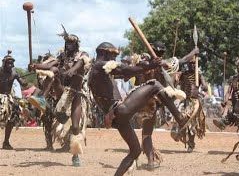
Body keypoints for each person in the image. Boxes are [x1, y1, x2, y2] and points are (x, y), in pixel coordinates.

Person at [88, 42, 188, 175]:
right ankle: (180, 118)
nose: (114, 59)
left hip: (116, 118)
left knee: (135, 151)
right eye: (113, 56)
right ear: (105, 53)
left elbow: (124, 72)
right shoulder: (100, 66)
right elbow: (124, 70)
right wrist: (151, 66)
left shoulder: (95, 71)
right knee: (155, 85)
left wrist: (142, 67)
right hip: (119, 110)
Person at [29, 26, 92, 166]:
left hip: (76, 94)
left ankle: (75, 155)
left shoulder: (83, 55)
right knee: (54, 70)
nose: (68, 45)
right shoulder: (62, 56)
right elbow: (50, 65)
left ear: (76, 44)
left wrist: (73, 70)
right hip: (63, 91)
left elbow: (81, 63)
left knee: (75, 127)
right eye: (67, 43)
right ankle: (42, 99)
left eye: (71, 43)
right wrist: (36, 66)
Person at [177, 57, 208, 152]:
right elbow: (177, 82)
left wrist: (203, 86)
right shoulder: (183, 74)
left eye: (194, 63)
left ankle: (191, 144)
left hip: (194, 102)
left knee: (192, 125)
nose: (192, 65)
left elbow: (205, 87)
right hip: (184, 100)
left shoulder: (199, 75)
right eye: (190, 63)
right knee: (178, 117)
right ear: (187, 64)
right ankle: (178, 133)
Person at [0, 50, 27, 149]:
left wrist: (24, 83)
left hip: (8, 98)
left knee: (11, 119)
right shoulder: (0, 72)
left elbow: (22, 82)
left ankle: (6, 142)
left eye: (12, 63)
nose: (10, 65)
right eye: (8, 63)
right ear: (4, 63)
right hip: (0, 97)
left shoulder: (15, 73)